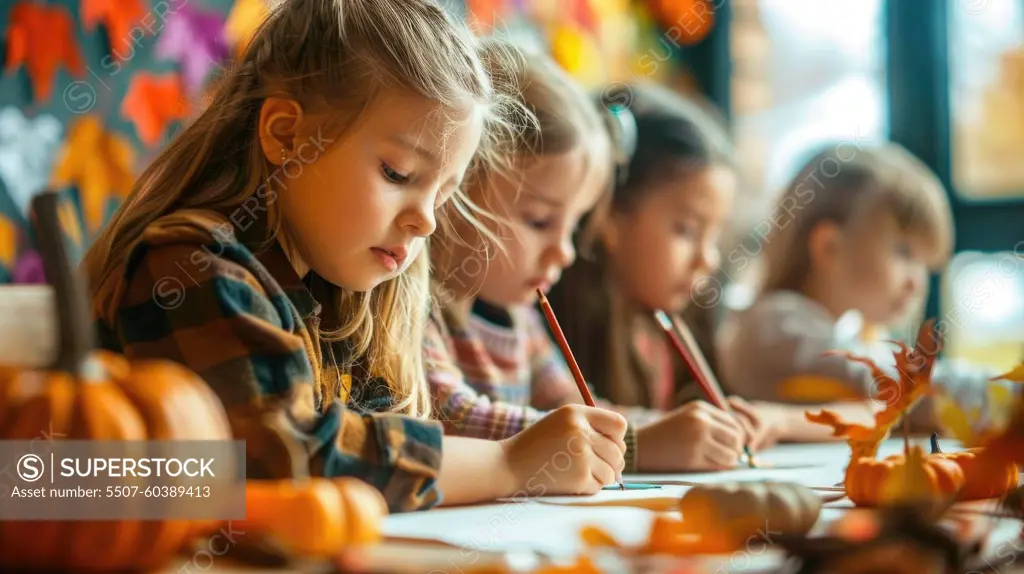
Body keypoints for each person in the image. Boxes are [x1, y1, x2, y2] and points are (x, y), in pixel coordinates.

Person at [83, 0, 625, 513]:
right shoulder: (193, 269)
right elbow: (287, 460)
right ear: (286, 135)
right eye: (398, 174)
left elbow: (377, 430)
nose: (427, 220)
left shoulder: (332, 291)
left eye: (443, 193)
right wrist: (512, 463)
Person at [425, 60, 757, 473]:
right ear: (456, 192)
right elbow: (453, 418)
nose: (564, 252)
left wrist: (688, 430)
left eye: (576, 224)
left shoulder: (522, 318)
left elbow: (578, 407)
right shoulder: (422, 310)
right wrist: (637, 445)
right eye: (540, 221)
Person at [546, 83, 876, 458]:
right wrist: (654, 442)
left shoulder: (679, 325)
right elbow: (555, 428)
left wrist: (757, 423)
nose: (709, 258)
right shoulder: (549, 330)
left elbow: (881, 409)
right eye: (687, 229)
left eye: (714, 234)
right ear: (612, 217)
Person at [717, 142, 1017, 432]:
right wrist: (1008, 396)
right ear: (829, 247)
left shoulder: (841, 331)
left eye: (925, 265)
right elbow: (902, 392)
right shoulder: (778, 326)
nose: (918, 282)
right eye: (904, 252)